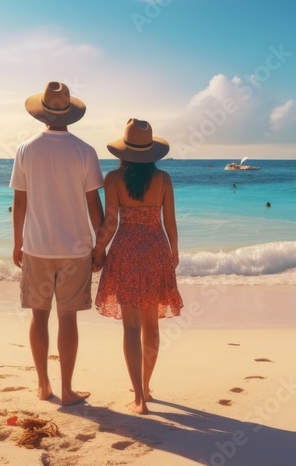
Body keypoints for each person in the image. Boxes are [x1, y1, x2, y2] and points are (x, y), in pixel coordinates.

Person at [10, 82, 104, 406]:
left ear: (41, 114)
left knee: (39, 316)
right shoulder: (85, 151)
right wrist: (101, 244)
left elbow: (19, 202)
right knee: (68, 319)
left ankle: (42, 385)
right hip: (76, 250)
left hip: (36, 246)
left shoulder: (25, 149)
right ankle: (67, 391)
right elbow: (94, 204)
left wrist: (16, 242)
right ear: (69, 113)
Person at [93, 119, 182, 415]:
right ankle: (146, 387)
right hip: (157, 249)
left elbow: (110, 222)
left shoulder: (114, 179)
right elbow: (170, 222)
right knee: (151, 326)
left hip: (126, 251)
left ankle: (138, 399)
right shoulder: (164, 180)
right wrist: (174, 251)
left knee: (131, 328)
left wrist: (98, 250)